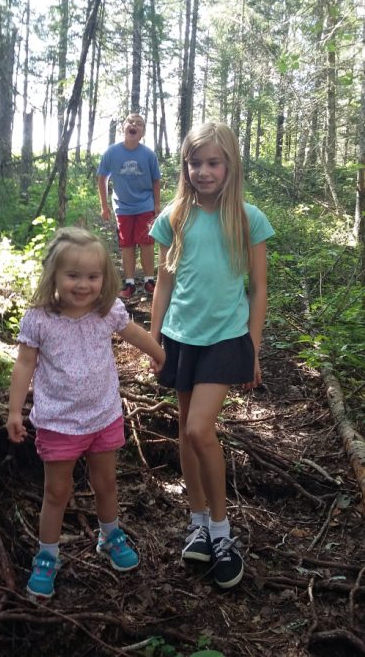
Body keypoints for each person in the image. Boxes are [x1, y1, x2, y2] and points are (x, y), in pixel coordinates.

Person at [6, 227, 165, 600]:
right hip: (59, 422)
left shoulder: (106, 311)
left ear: (104, 278)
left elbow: (133, 334)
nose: (83, 285)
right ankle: (47, 556)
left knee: (106, 482)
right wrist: (15, 409)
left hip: (103, 414)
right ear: (54, 276)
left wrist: (157, 353)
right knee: (57, 490)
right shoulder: (40, 318)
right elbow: (24, 364)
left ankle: (110, 535)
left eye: (93, 276)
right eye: (73, 275)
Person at [150, 122, 274, 590]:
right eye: (195, 163)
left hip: (226, 337)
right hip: (181, 337)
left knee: (201, 428)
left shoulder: (247, 218)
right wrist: (154, 338)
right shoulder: (174, 217)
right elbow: (164, 282)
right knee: (186, 430)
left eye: (213, 163)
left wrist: (253, 348)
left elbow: (259, 290)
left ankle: (222, 532)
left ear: (230, 165)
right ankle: (196, 521)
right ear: (186, 166)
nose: (203, 171)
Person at [97, 113, 161, 299]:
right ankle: (130, 283)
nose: (134, 125)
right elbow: (102, 179)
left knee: (146, 242)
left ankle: (149, 281)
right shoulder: (111, 153)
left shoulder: (148, 154)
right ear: (123, 128)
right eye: (130, 122)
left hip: (145, 205)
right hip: (123, 207)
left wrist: (156, 204)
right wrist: (104, 206)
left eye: (139, 124)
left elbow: (156, 180)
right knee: (127, 244)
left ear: (142, 132)